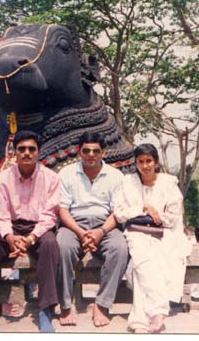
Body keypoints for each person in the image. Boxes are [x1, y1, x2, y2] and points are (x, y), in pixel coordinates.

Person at [0, 130, 61, 333]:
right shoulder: (3, 178)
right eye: (22, 149)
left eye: (31, 149)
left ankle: (45, 310)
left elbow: (49, 216)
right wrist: (10, 237)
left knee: (50, 244)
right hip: (10, 228)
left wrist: (30, 239)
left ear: (39, 152)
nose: (27, 153)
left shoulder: (51, 178)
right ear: (15, 152)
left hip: (38, 229)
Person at [114, 143, 191, 333]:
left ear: (156, 162)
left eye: (149, 161)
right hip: (136, 231)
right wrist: (144, 208)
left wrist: (158, 217)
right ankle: (159, 310)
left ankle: (139, 321)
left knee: (143, 267)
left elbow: (173, 217)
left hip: (164, 233)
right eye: (140, 161)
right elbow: (120, 213)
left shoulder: (168, 183)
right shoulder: (128, 182)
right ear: (136, 163)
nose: (145, 165)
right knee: (142, 259)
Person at [57, 131, 128, 328]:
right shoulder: (66, 173)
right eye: (86, 150)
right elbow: (62, 209)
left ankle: (102, 305)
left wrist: (100, 232)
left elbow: (117, 212)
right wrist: (81, 233)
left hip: (105, 224)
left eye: (95, 151)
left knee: (120, 248)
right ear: (79, 152)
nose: (91, 155)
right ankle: (65, 304)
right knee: (61, 246)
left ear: (103, 153)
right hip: (73, 224)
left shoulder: (115, 175)